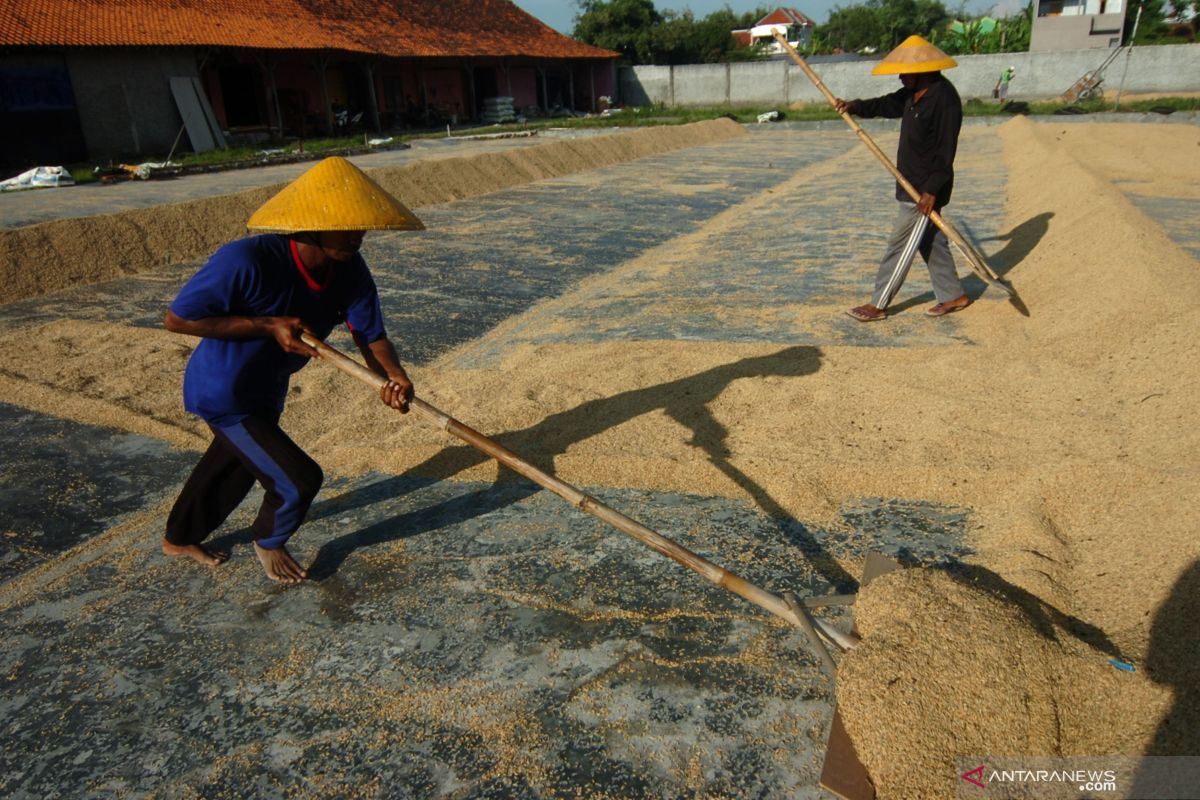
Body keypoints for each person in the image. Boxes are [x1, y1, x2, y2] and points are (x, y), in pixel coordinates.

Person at [161, 156, 424, 583]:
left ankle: (178, 537)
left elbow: (370, 335)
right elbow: (177, 319)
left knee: (234, 465)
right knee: (296, 480)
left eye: (361, 226)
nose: (357, 236)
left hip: (268, 388)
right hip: (224, 391)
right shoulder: (247, 260)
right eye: (345, 225)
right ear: (312, 222)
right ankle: (268, 540)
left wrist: (392, 375)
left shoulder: (350, 271)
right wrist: (268, 325)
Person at [834, 35, 970, 322]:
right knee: (929, 241)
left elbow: (946, 151)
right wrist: (854, 106)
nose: (899, 76)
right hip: (909, 181)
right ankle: (953, 295)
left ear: (924, 70)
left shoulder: (944, 99)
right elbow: (885, 105)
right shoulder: (912, 94)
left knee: (900, 245)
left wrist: (931, 190)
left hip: (923, 190)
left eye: (904, 71)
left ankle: (879, 304)